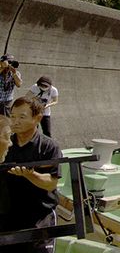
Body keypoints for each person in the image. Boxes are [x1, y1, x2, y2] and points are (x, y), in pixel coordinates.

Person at [0, 96, 63, 253]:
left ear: (37, 118)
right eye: (12, 116)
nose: (15, 121)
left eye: (22, 117)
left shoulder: (49, 146)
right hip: (8, 216)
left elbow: (51, 182)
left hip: (40, 217)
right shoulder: (5, 144)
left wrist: (30, 174)